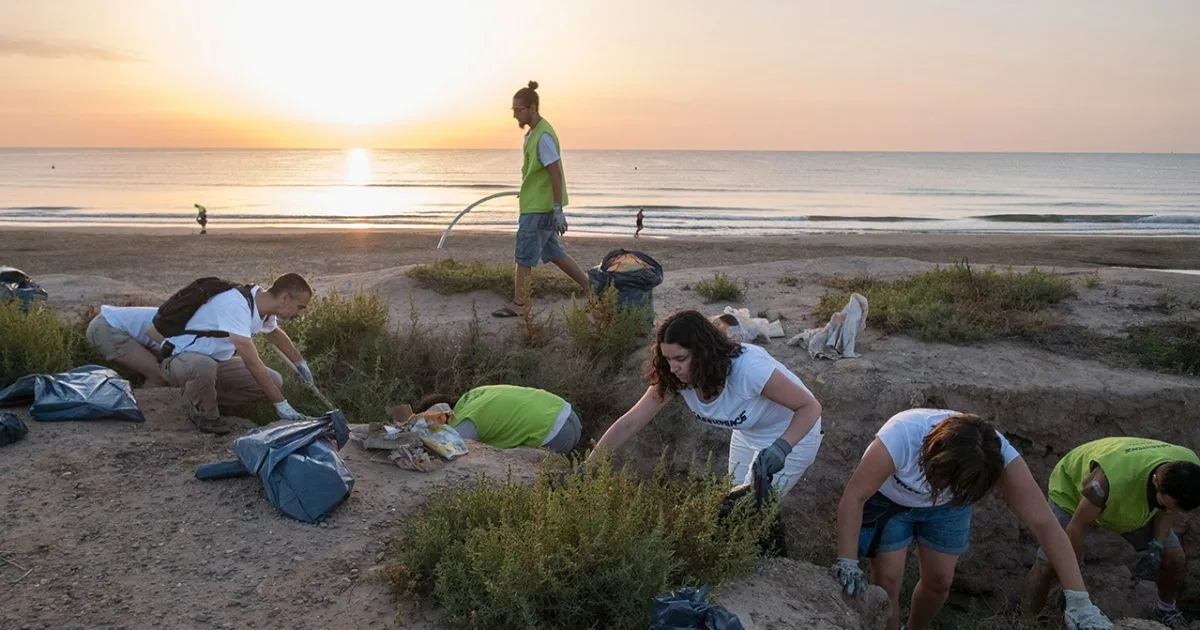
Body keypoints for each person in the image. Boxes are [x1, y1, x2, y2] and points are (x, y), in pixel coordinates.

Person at [829, 409, 1112, 630]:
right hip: (892, 502)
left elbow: (1046, 525)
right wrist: (848, 561)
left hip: (950, 508)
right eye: (942, 481)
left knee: (940, 580)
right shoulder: (900, 436)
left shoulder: (996, 454)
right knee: (888, 581)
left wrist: (1080, 601)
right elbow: (854, 497)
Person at [589, 310, 823, 497]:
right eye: (667, 359)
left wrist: (782, 447)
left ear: (704, 353)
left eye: (680, 359)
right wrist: (590, 466)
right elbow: (631, 422)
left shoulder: (749, 370)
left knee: (750, 511)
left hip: (793, 435)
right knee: (733, 499)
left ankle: (772, 556)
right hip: (747, 434)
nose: (673, 368)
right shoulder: (675, 376)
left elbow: (810, 407)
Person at [1023, 437, 1200, 629]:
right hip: (1073, 494)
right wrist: (1073, 586)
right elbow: (1077, 526)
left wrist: (1157, 545)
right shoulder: (1105, 483)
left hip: (1133, 498)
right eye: (1165, 505)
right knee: (1049, 563)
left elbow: (1169, 510)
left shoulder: (1190, 468)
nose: (1170, 511)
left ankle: (1165, 609)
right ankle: (1026, 621)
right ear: (1156, 481)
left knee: (1174, 558)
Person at [158, 273, 314, 435]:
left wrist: (300, 363)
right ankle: (206, 417)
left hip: (216, 362)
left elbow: (274, 333)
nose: (299, 314)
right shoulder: (235, 303)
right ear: (285, 298)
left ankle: (205, 398)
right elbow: (252, 363)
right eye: (300, 307)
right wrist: (281, 405)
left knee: (275, 381)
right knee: (203, 366)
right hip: (180, 359)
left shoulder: (263, 308)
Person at [492, 80, 590, 318]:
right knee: (554, 253)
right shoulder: (533, 134)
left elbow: (554, 172)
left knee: (523, 257)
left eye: (518, 110)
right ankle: (590, 287)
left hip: (539, 208)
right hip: (536, 202)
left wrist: (558, 209)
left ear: (532, 108)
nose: (514, 115)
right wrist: (528, 190)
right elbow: (535, 173)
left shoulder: (543, 136)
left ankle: (520, 304)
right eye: (513, 110)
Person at [414, 384, 582, 454]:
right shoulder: (473, 395)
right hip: (567, 413)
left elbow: (453, 450)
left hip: (554, 434)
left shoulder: (464, 421)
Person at [85, 305, 167, 387]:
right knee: (159, 376)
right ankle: (140, 399)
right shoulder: (177, 331)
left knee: (165, 369)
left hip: (110, 323)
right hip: (108, 328)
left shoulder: (175, 318)